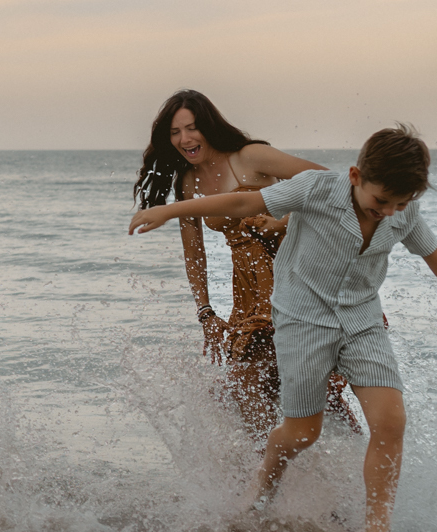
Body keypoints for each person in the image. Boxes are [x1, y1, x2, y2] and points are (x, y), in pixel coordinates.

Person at [130, 125, 437, 532]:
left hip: (362, 322)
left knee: (390, 423)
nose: (389, 212)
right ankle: (264, 479)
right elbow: (244, 202)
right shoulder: (317, 188)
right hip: (302, 321)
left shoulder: (403, 212)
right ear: (355, 177)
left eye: (401, 203)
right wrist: (171, 210)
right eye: (381, 201)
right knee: (302, 434)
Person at [133, 90, 335, 436]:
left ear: (209, 127)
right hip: (250, 291)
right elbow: (194, 253)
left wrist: (283, 222)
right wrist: (205, 312)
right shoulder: (187, 182)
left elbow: (330, 185)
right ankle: (269, 476)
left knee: (310, 387)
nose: (184, 139)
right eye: (175, 132)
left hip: (294, 272)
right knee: (251, 387)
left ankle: (351, 467)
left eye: (192, 128)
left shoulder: (250, 156)